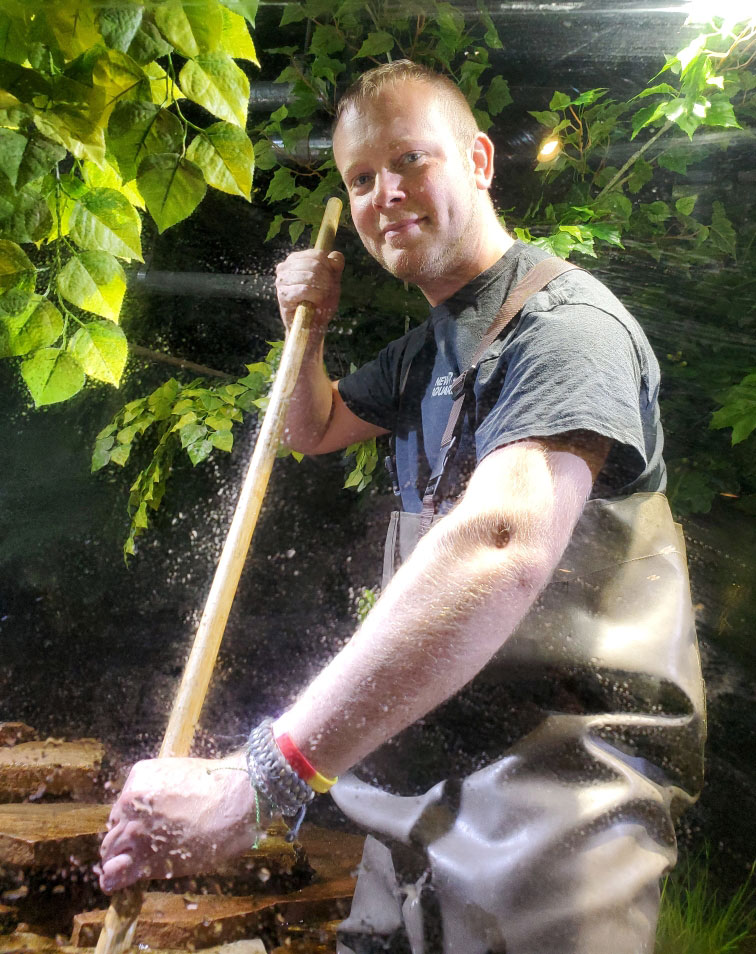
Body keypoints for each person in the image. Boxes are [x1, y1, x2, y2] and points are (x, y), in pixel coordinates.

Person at [99, 61, 705, 954]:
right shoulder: (426, 351)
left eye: (410, 160)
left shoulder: (568, 328)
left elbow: (499, 544)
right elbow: (311, 427)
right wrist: (306, 332)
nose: (384, 193)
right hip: (418, 797)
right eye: (359, 178)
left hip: (559, 824)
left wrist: (262, 779)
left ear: (480, 161)